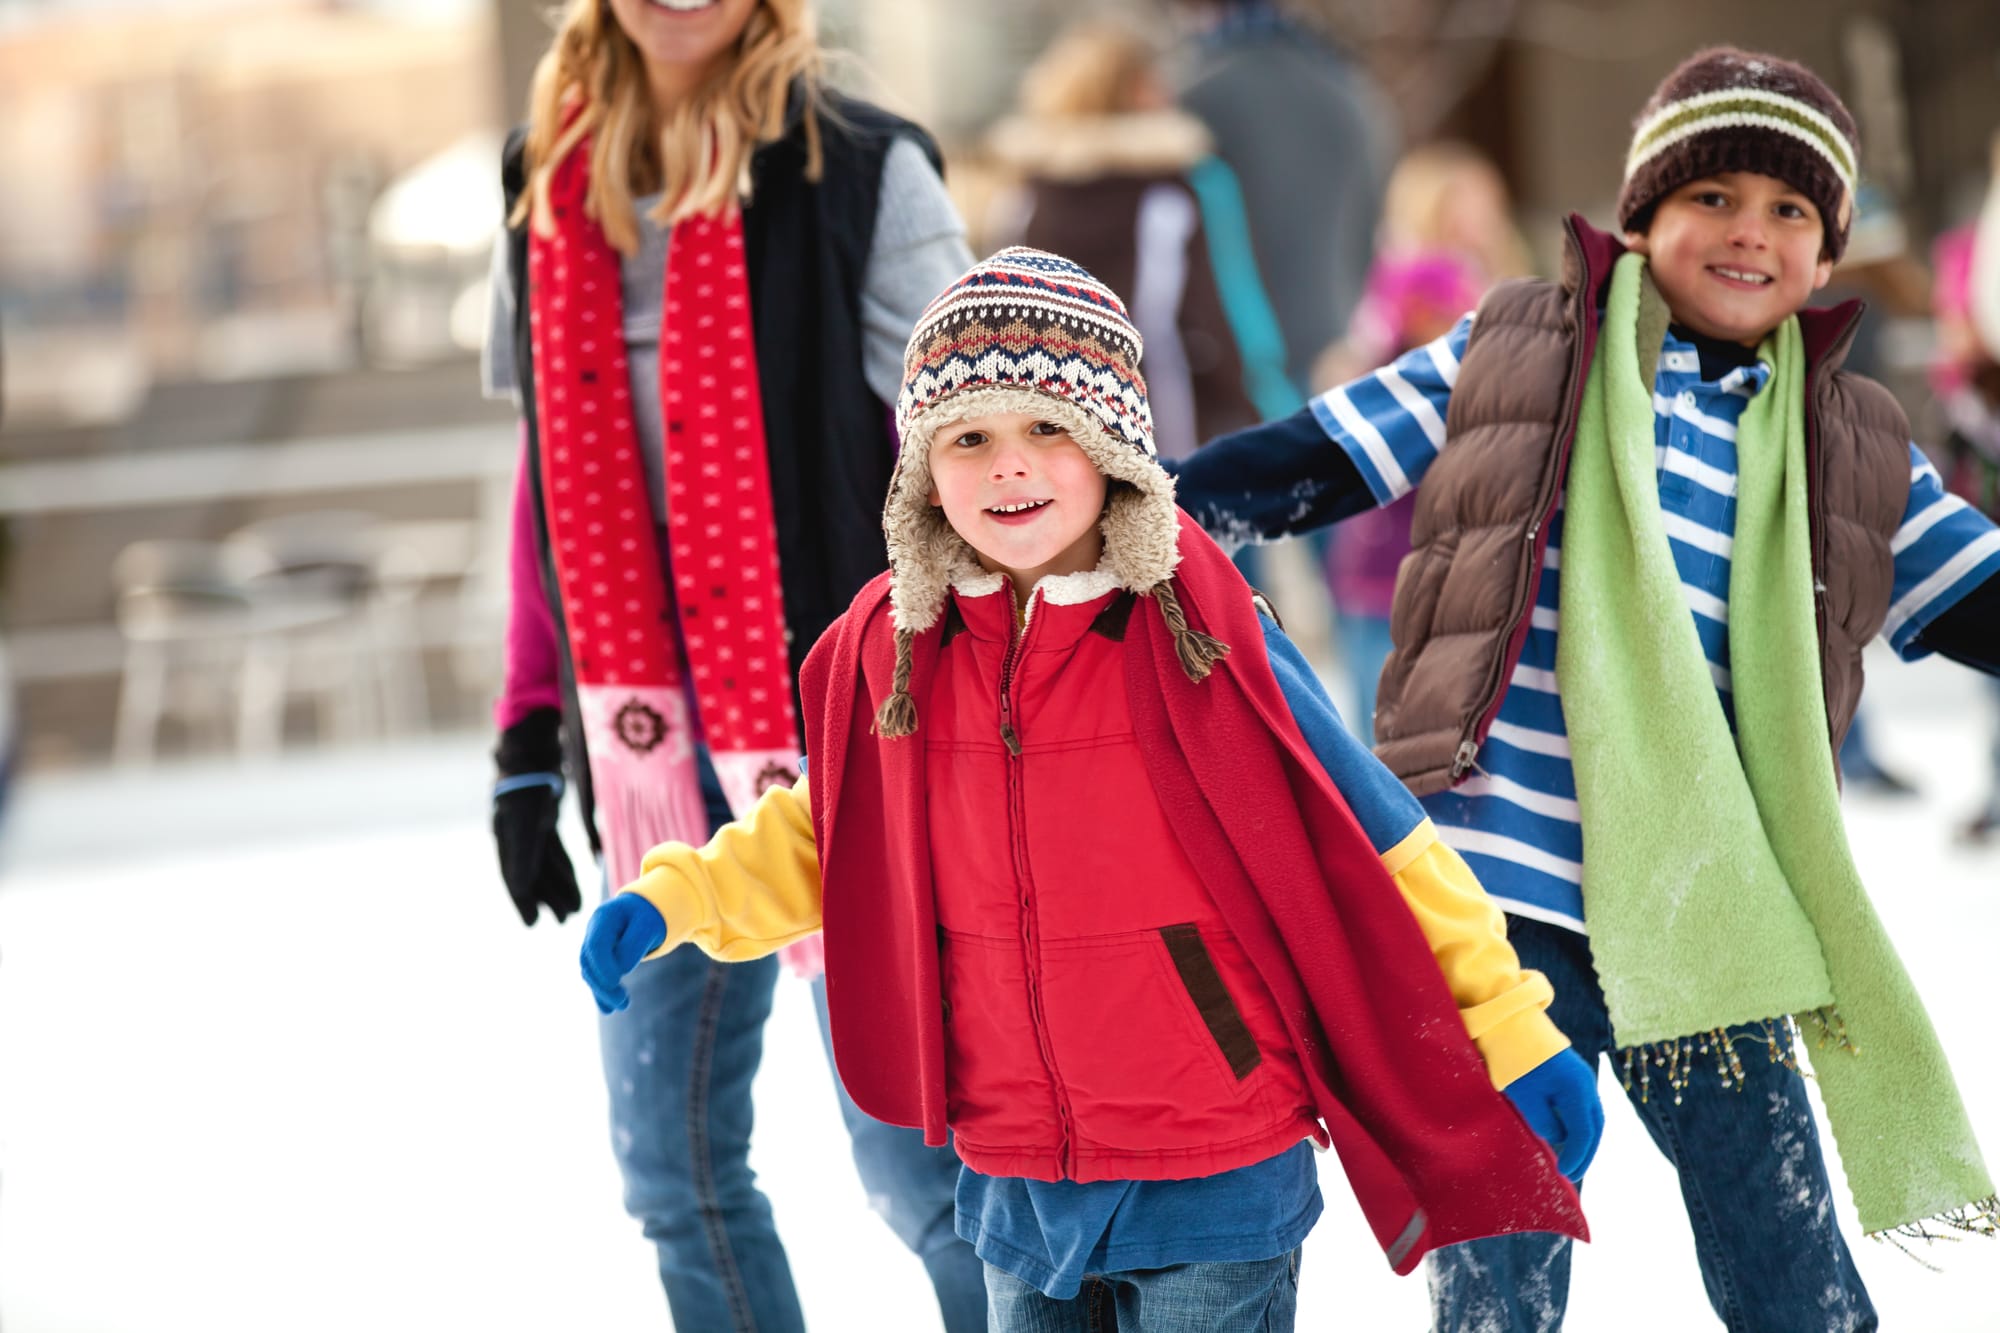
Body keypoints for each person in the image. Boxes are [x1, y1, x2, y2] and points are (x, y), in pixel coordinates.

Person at [575, 248, 1600, 1330]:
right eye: (967, 438)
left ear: (1110, 450)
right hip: (1017, 1175)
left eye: (1046, 429)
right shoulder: (903, 649)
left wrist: (1511, 1026)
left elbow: (1378, 843)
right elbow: (832, 830)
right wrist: (676, 897)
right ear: (923, 467)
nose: (1006, 467)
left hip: (1214, 1160)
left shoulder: (1198, 636)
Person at [1169, 47, 2000, 1331]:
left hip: (1702, 901)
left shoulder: (1850, 446)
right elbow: (1329, 452)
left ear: (1826, 257)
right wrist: (1142, 513)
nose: (1747, 233)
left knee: (1781, 1243)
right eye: (1711, 196)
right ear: (1641, 217)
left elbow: (1971, 591)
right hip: (1496, 887)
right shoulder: (1521, 350)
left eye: (1788, 211)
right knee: (1501, 1244)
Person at [478, 1, 983, 1327]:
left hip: (850, 734)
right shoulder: (545, 179)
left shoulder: (863, 171)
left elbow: (983, 457)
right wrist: (529, 739)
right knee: (673, 1168)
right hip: (642, 748)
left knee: (921, 1171)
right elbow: (553, 479)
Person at [984, 20, 1284, 460]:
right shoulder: (1177, 192)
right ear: (1137, 90)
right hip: (1164, 425)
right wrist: (1257, 412)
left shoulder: (1026, 197)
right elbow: (1226, 310)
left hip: (1054, 432)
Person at [1318, 142, 1524, 741]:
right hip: (1408, 541)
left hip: (1407, 541)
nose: (1478, 220)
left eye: (1485, 204)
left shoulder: (1450, 283)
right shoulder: (1426, 280)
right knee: (1393, 724)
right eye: (1461, 205)